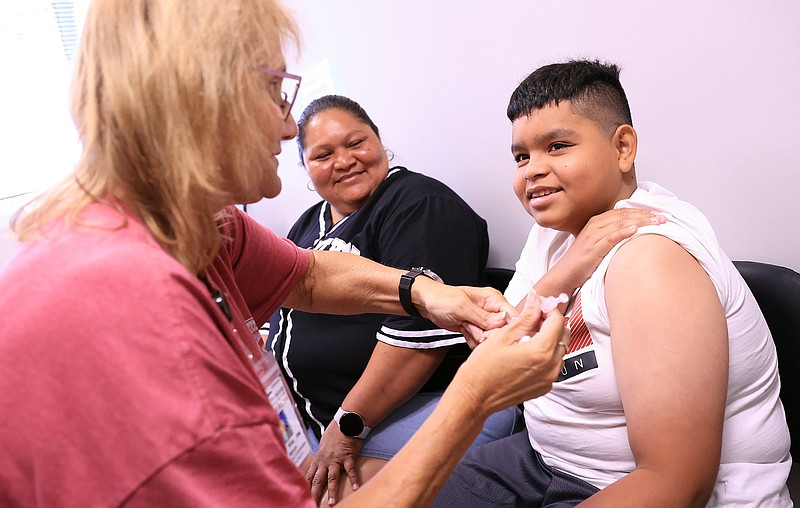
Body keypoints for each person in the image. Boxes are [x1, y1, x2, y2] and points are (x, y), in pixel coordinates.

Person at [0, 1, 586, 506]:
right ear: (205, 100)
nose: (288, 130)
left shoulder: (192, 227)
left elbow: (307, 274)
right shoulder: (138, 318)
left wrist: (426, 293)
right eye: (278, 93)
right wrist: (477, 392)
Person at [433, 59, 793, 507]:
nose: (531, 170)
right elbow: (494, 344)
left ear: (622, 147)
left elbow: (676, 485)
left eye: (558, 146)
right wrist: (574, 263)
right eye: (521, 156)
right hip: (546, 459)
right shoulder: (553, 233)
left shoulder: (652, 259)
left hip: (631, 486)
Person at [267, 94, 516, 505]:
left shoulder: (420, 204)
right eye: (324, 154)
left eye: (356, 142)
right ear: (308, 171)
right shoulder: (308, 223)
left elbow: (416, 340)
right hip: (317, 417)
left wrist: (346, 428)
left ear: (381, 142)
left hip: (411, 408)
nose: (344, 160)